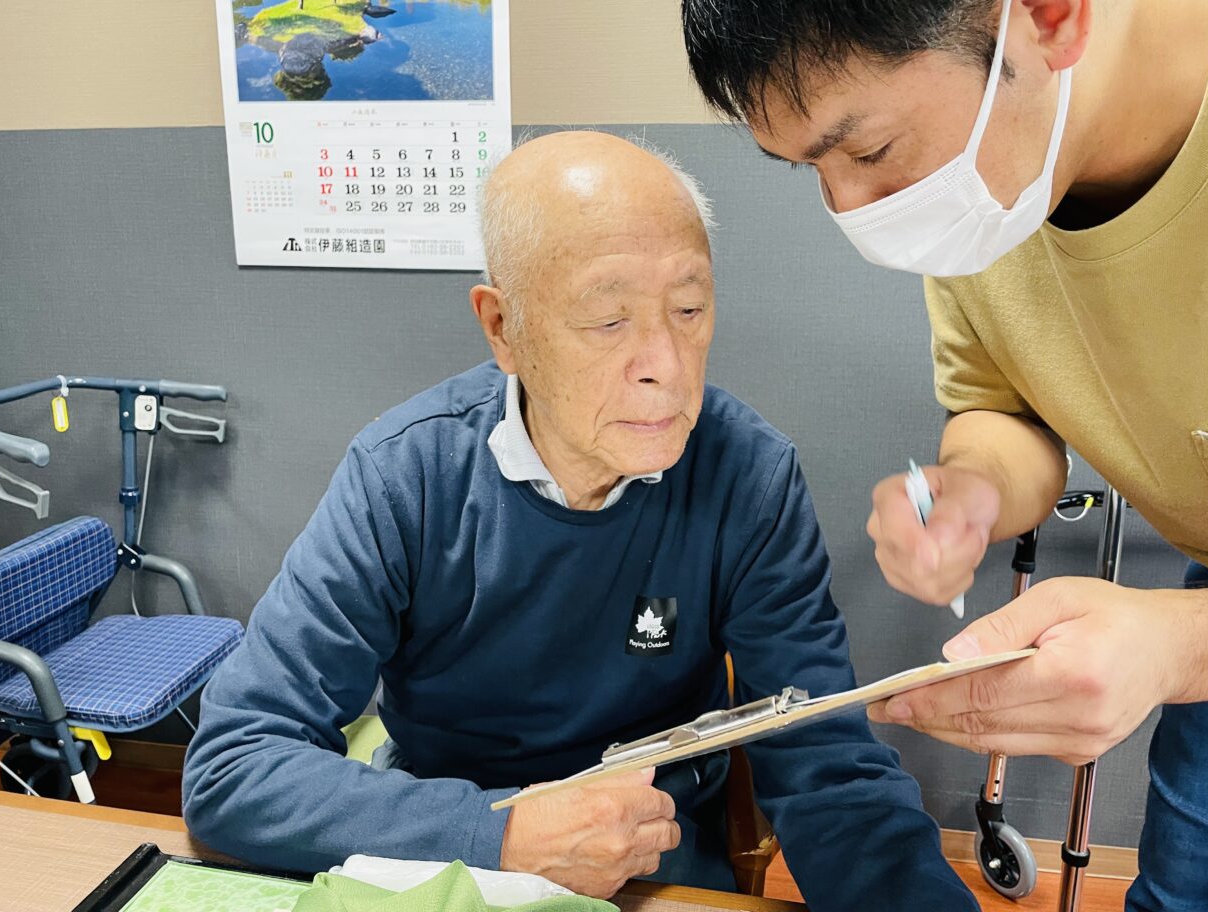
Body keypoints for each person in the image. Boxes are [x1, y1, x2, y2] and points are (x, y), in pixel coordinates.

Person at [182, 131, 978, 910]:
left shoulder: (747, 475)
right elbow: (233, 766)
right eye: (608, 320)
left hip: (655, 855)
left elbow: (825, 761)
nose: (666, 365)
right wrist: (501, 834)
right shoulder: (405, 477)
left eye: (689, 308)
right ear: (504, 328)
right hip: (449, 847)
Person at [681, 0, 1208, 908]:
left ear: (1047, 12)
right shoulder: (994, 185)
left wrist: (1184, 647)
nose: (851, 210)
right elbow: (1002, 403)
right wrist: (973, 488)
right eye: (811, 170)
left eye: (869, 152)